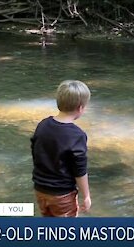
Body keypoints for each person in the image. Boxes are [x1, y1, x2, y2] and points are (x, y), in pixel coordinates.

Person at [31, 80, 92, 217]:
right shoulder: (77, 135)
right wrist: (86, 196)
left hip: (40, 189)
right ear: (80, 108)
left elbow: (36, 152)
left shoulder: (43, 125)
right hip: (62, 194)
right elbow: (80, 171)